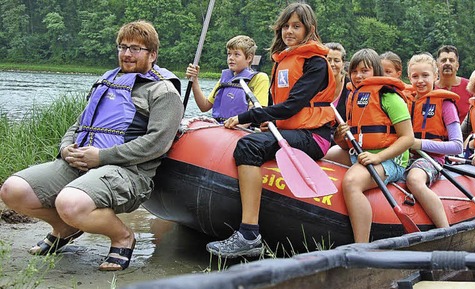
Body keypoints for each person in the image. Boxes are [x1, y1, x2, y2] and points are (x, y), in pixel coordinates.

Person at [0, 21, 183, 271]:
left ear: (152, 54)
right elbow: (79, 123)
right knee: (13, 190)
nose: (127, 53)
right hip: (80, 163)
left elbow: (157, 144)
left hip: (128, 172)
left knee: (70, 202)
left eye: (136, 49)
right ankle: (66, 228)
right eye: (123, 46)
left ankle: (122, 237)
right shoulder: (107, 81)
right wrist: (65, 148)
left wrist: (102, 157)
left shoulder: (163, 92)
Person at [205, 2, 336, 257]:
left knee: (249, 145)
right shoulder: (284, 61)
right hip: (293, 131)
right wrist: (268, 122)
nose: (289, 31)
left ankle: (249, 234)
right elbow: (281, 109)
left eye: (296, 26)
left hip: (315, 137)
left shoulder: (316, 63)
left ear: (309, 29)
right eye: (286, 26)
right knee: (250, 139)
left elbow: (292, 106)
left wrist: (247, 115)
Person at [324, 49, 413, 243]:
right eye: (354, 71)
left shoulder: (389, 97)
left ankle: (361, 245)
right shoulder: (354, 98)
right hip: (363, 154)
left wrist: (377, 158)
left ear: (377, 71)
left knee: (352, 182)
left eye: (365, 70)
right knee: (328, 155)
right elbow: (349, 145)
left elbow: (408, 138)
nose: (358, 76)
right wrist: (340, 137)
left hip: (390, 159)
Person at [404, 53, 463, 229]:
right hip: (405, 157)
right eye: (415, 76)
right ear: (409, 78)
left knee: (414, 180)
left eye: (425, 75)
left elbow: (457, 146)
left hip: (431, 160)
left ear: (436, 76)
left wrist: (419, 144)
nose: (420, 81)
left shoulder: (446, 104)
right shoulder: (405, 101)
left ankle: (444, 230)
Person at [185, 35, 269, 122]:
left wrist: (239, 124)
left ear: (249, 58)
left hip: (242, 129)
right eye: (229, 54)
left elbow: (255, 112)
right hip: (220, 127)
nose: (231, 58)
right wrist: (194, 80)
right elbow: (204, 106)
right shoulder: (226, 79)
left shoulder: (259, 78)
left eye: (236, 54)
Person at [434, 45, 473, 122]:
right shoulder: (431, 89)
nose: (447, 63)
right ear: (437, 65)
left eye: (451, 60)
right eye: (443, 60)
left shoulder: (470, 87)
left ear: (457, 66)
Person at [325, 42, 350, 121]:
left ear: (343, 64)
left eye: (336, 60)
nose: (332, 64)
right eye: (328, 60)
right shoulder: (315, 86)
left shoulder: (350, 86)